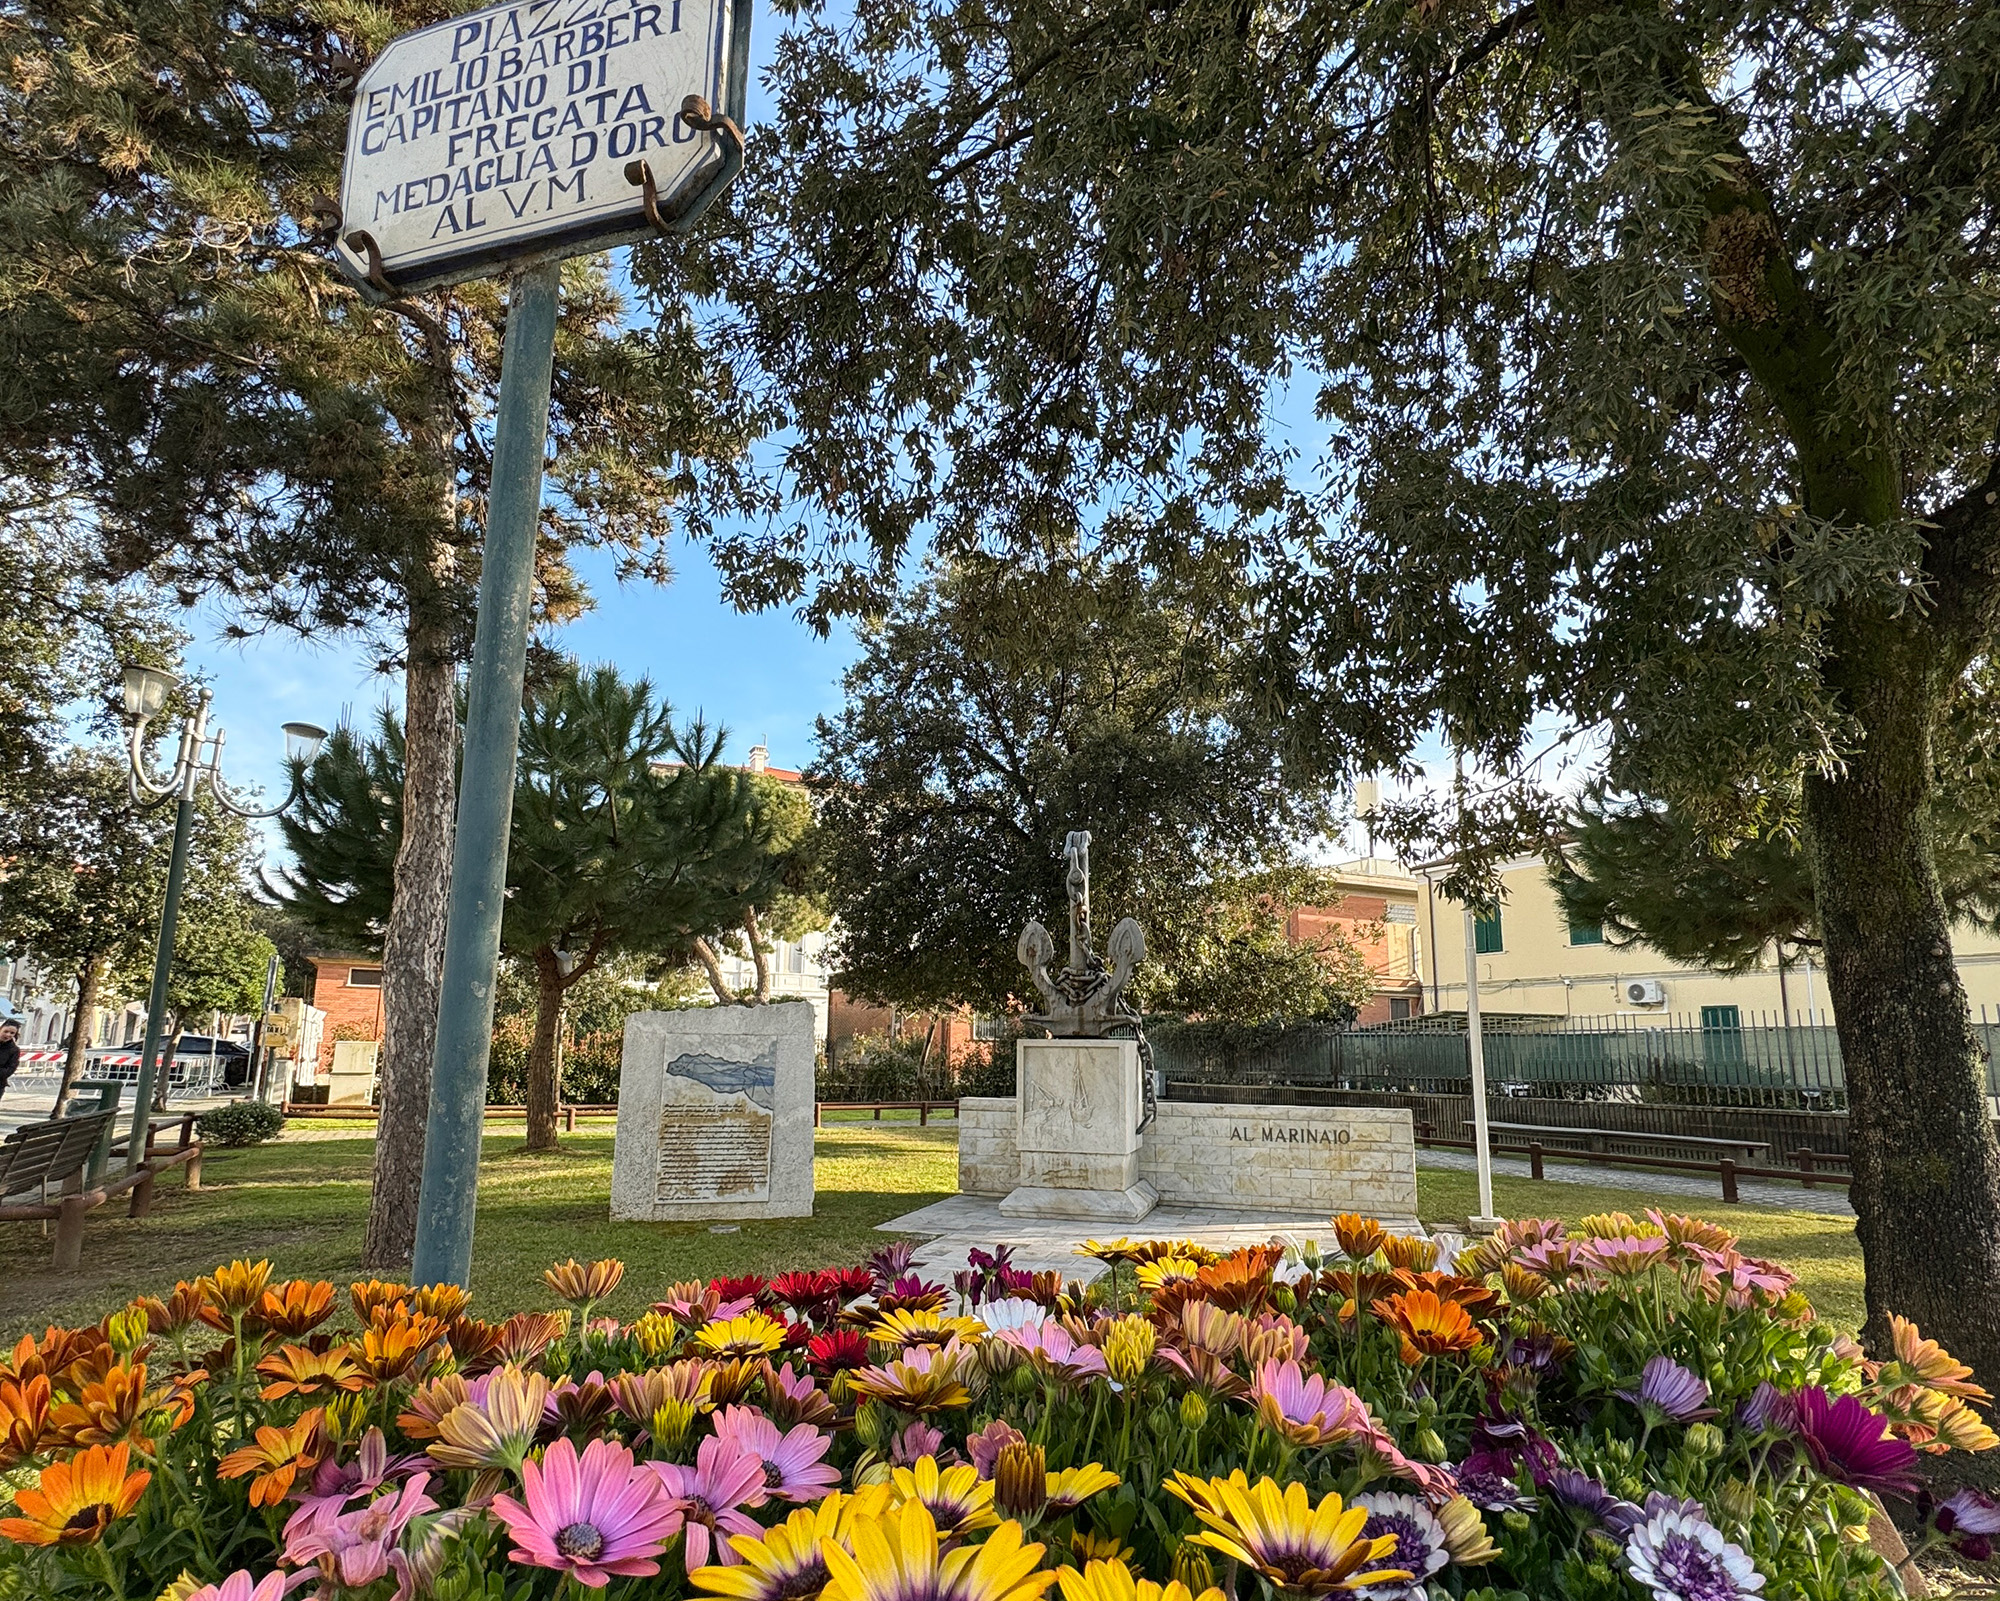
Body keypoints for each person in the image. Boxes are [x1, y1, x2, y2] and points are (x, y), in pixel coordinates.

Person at [0, 1018, 19, 1101]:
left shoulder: (14, 1050)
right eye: (6, 1031)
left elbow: (10, 1069)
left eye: (12, 1033)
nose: (8, 1035)